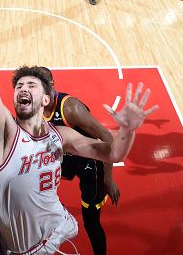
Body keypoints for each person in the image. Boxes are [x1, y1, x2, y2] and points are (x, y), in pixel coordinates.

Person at [0, 0, 158, 254]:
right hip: (21, 248)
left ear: (46, 99)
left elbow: (114, 152)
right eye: (19, 86)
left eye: (31, 85)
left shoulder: (62, 136)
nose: (23, 88)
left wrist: (128, 129)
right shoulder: (4, 131)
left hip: (55, 235)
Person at [39, 67, 120, 255]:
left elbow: (107, 137)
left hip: (91, 164)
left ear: (52, 85)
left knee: (90, 222)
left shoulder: (71, 108)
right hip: (66, 158)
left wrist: (108, 178)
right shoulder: (35, 106)